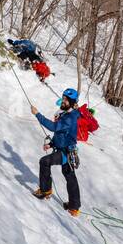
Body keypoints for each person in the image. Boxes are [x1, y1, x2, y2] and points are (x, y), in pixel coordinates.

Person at [31, 88, 81, 216]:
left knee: (44, 161)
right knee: (70, 178)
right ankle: (73, 206)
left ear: (72, 102)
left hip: (66, 152)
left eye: (66, 100)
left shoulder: (70, 117)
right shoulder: (65, 114)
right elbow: (59, 133)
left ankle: (45, 190)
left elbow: (54, 127)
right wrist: (51, 144)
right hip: (63, 149)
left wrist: (37, 114)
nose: (63, 101)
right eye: (63, 98)